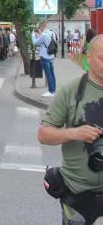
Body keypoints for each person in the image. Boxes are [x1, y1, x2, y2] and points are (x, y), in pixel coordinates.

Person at [38, 35, 103, 224]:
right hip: (78, 190)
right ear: (88, 58)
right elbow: (43, 134)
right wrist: (73, 133)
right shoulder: (70, 91)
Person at [33, 20, 57, 97]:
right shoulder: (52, 33)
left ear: (42, 26)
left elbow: (36, 43)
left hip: (45, 56)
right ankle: (53, 90)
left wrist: (33, 35)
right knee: (52, 74)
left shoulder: (43, 35)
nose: (39, 29)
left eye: (40, 27)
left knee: (48, 74)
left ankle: (50, 91)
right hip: (51, 56)